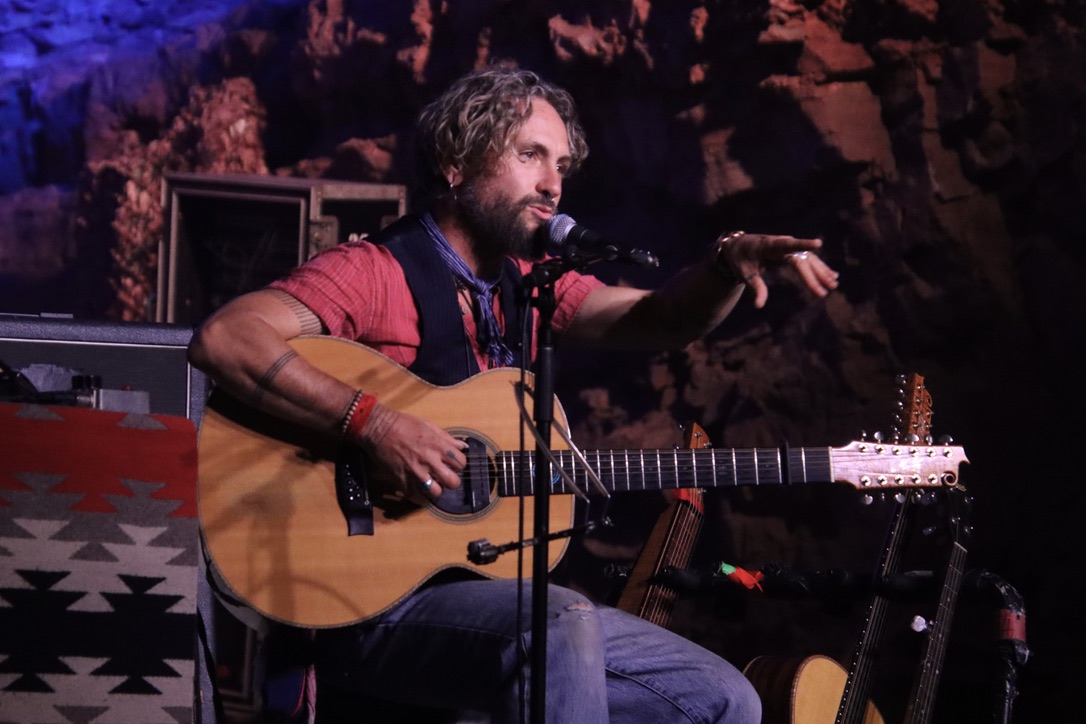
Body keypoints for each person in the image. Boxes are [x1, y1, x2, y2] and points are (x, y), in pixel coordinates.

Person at [188, 66, 838, 724]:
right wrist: (376, 425)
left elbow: (665, 320)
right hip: (358, 605)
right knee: (561, 621)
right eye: (529, 155)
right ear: (454, 163)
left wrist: (727, 265)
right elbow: (227, 339)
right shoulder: (370, 273)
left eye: (560, 164)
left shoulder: (527, 287)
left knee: (724, 700)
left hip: (484, 599)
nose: (553, 184)